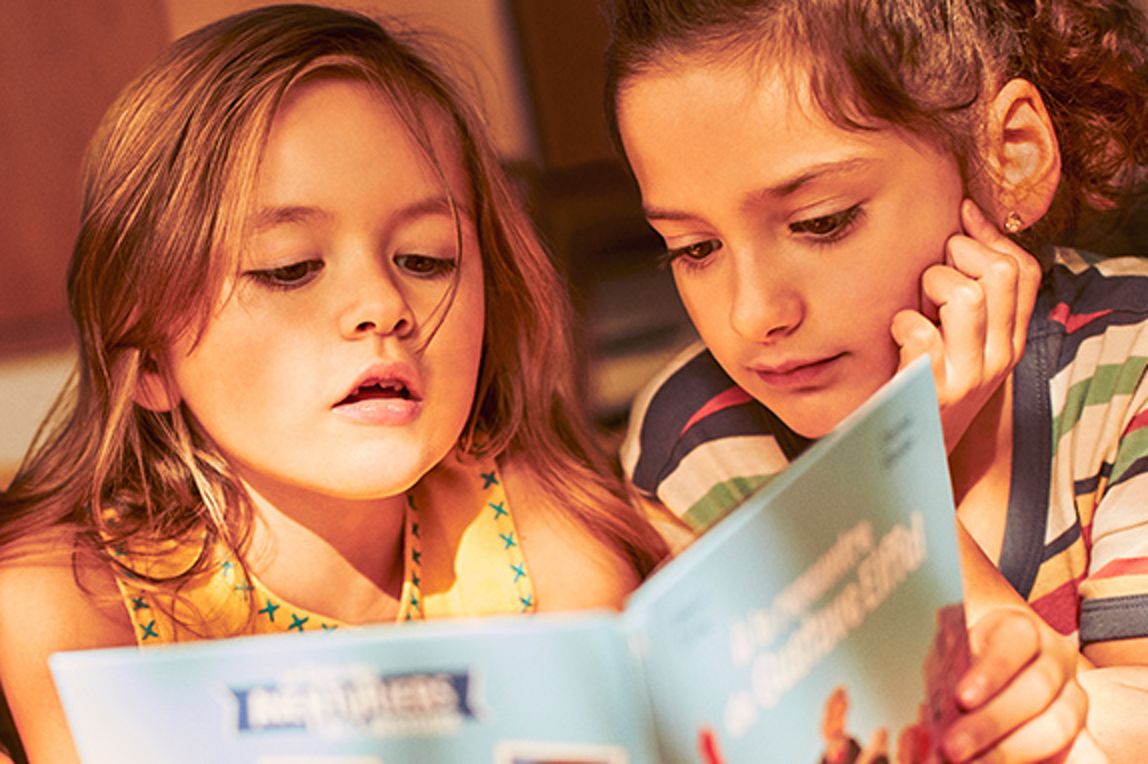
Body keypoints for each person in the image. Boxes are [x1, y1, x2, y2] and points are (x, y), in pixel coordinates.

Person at [0, 6, 670, 762]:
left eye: (426, 258)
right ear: (149, 359)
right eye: (289, 268)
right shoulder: (72, 603)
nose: (382, 307)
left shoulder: (546, 539)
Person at [605, 0, 1148, 760]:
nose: (754, 314)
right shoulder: (700, 442)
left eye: (821, 222)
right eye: (694, 248)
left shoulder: (1132, 372)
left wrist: (901, 475)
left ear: (1010, 157)